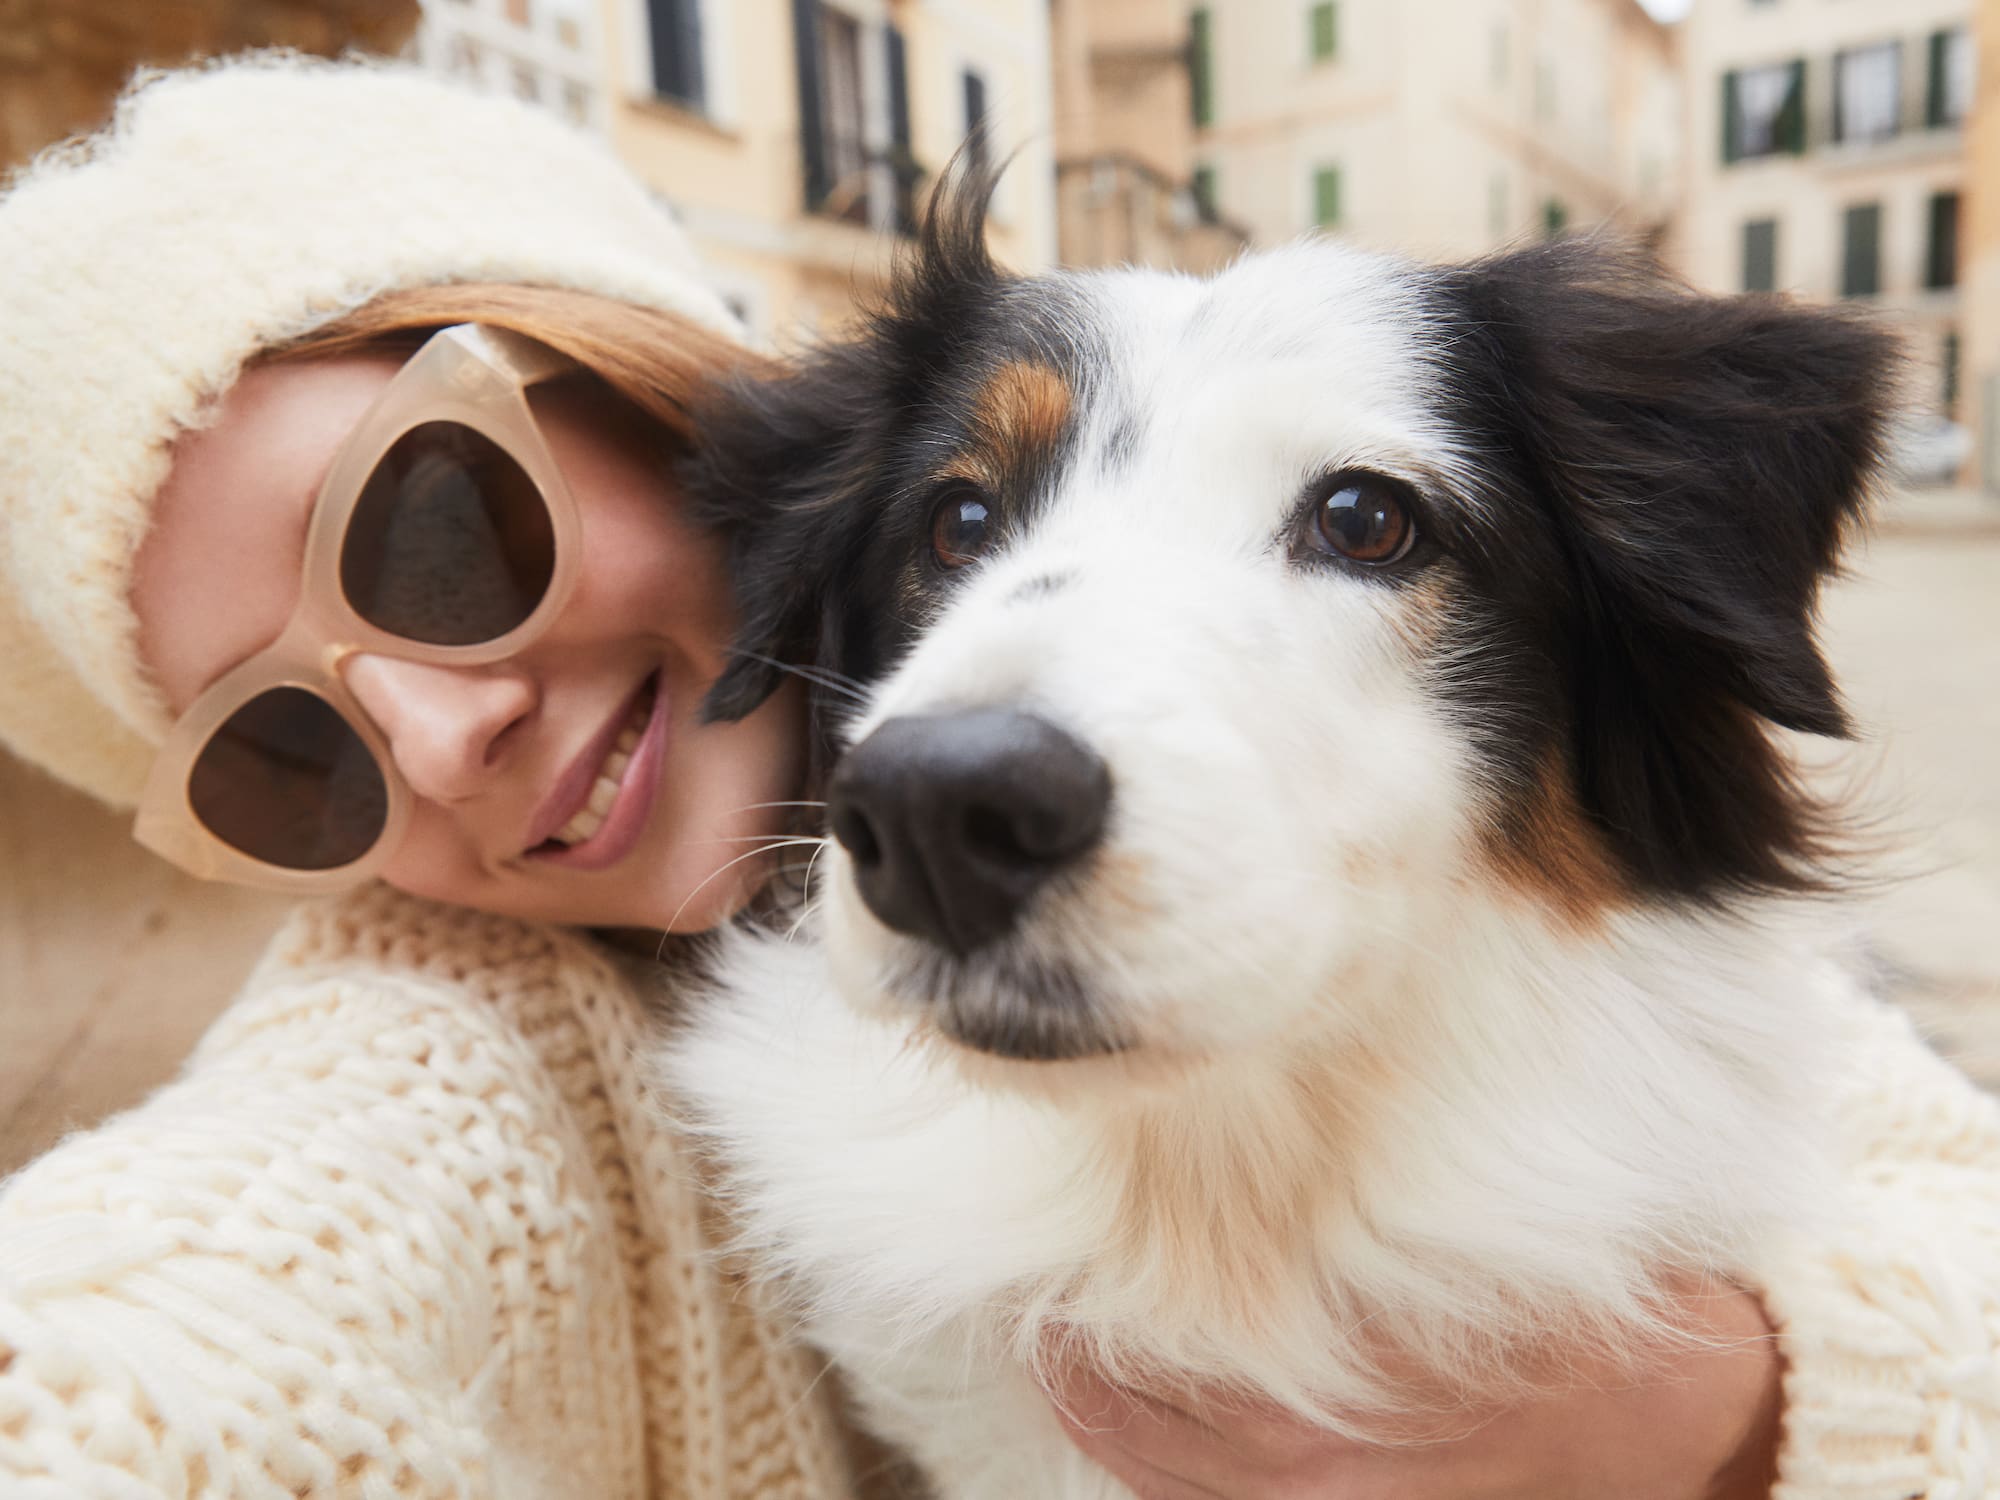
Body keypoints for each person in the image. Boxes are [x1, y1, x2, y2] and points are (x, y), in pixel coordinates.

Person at [0, 54, 1994, 1500]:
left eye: (429, 532)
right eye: (284, 745)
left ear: (653, 407)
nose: (439, 733)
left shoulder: (1712, 1050)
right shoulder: (454, 1035)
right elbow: (204, 1309)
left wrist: (1715, 1419)